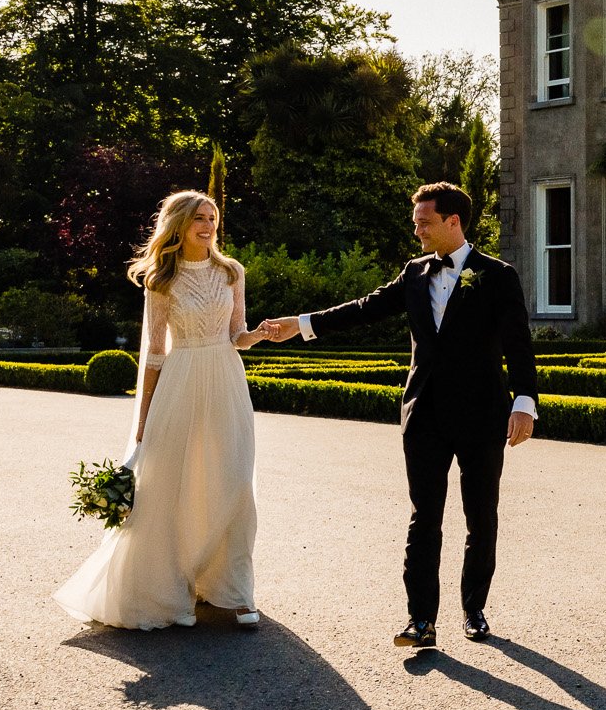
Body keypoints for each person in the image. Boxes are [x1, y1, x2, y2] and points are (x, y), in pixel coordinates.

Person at [261, 182, 537, 649]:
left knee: (480, 516)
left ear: (453, 222)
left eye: (424, 223)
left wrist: (524, 403)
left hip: (481, 415)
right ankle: (421, 621)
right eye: (415, 223)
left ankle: (474, 609)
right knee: (423, 517)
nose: (417, 232)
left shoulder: (497, 275)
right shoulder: (413, 273)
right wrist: (302, 324)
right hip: (424, 413)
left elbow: (519, 345)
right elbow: (365, 308)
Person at [55, 191, 272, 630]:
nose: (208, 225)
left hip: (227, 382)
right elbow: (155, 351)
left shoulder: (232, 272)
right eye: (199, 218)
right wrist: (143, 421)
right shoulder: (162, 280)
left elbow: (236, 334)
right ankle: (172, 589)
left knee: (233, 480)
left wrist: (259, 335)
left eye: (212, 218)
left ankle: (234, 590)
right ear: (179, 224)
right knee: (171, 485)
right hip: (180, 380)